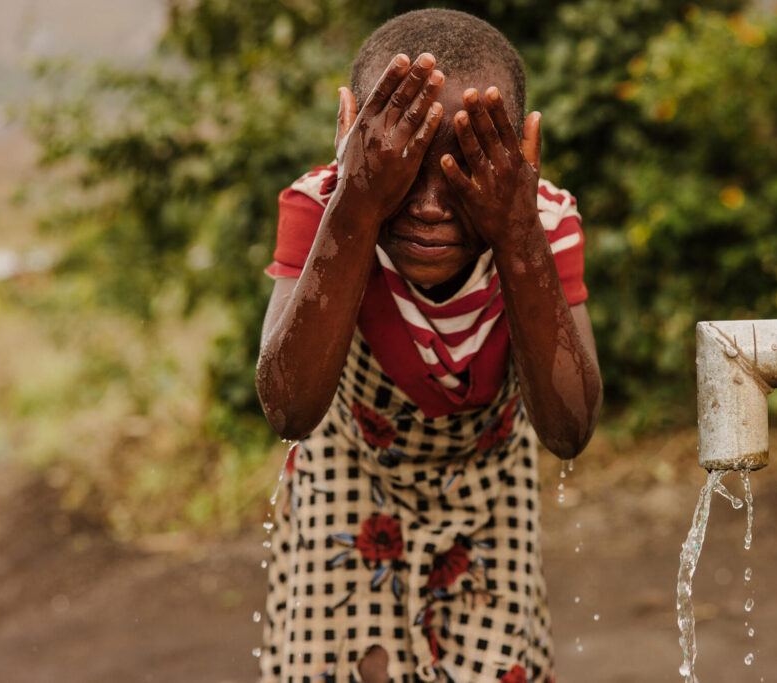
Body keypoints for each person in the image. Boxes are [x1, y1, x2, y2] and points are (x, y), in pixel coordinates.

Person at [255, 9, 602, 682]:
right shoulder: (322, 206)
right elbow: (289, 411)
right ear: (349, 132)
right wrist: (357, 200)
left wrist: (515, 231)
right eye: (404, 165)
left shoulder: (545, 224)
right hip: (346, 490)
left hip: (490, 501)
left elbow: (568, 429)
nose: (433, 206)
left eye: (465, 164)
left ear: (525, 151)